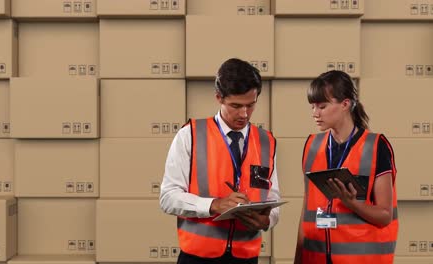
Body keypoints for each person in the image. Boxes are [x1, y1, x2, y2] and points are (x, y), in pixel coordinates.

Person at [160, 58, 280, 264]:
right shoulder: (190, 135)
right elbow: (168, 198)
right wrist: (214, 205)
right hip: (197, 258)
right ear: (219, 98)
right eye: (236, 105)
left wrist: (268, 219)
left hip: (247, 258)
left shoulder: (265, 141)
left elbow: (273, 197)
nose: (244, 114)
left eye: (251, 105)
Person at [294, 70, 398, 264]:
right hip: (314, 257)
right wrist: (298, 258)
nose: (315, 113)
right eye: (313, 107)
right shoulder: (312, 146)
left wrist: (352, 204)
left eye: (322, 106)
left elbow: (385, 216)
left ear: (345, 104)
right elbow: (306, 210)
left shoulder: (376, 146)